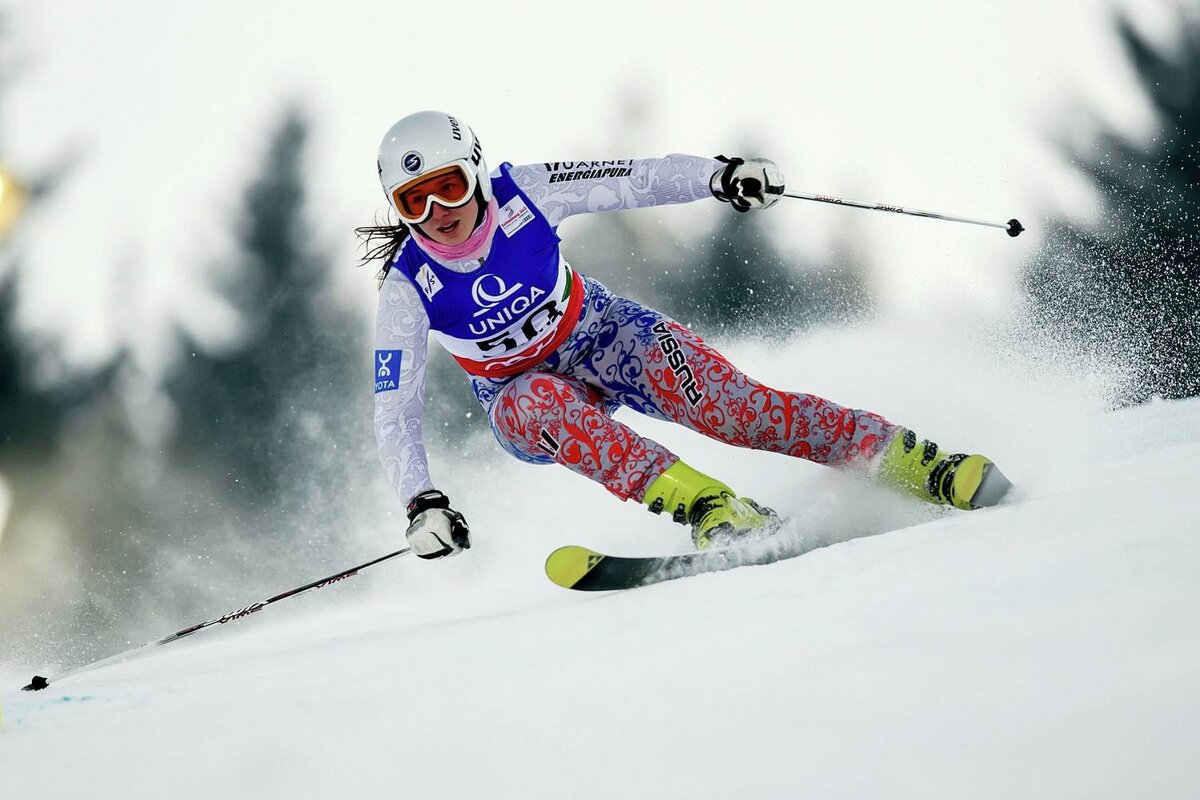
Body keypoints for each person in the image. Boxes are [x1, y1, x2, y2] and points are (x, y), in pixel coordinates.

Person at [358, 111, 1011, 560]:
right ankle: (712, 509)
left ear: (475, 173)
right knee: (538, 400)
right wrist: (422, 503)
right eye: (415, 200)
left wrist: (718, 177)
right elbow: (395, 411)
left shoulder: (524, 193)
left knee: (736, 411)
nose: (438, 213)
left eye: (448, 188)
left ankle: (916, 463)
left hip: (605, 333)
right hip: (519, 395)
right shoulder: (407, 290)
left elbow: (630, 178)